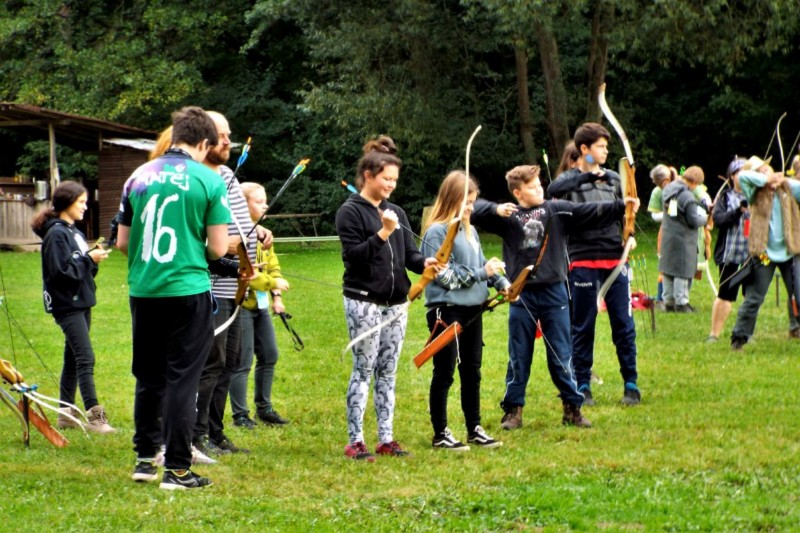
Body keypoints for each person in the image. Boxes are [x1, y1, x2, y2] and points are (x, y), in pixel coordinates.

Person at [472, 164, 639, 429]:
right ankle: (513, 410)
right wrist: (496, 209)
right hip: (522, 294)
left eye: (539, 184)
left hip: (555, 291)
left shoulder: (556, 209)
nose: (539, 190)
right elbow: (471, 208)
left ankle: (572, 408)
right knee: (519, 354)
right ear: (517, 193)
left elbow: (589, 211)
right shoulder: (509, 216)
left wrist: (622, 205)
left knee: (561, 353)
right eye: (532, 187)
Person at [116, 106, 231, 489]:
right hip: (187, 290)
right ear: (204, 143)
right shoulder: (209, 180)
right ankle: (178, 468)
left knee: (149, 376)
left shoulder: (138, 175)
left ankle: (145, 458)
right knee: (183, 378)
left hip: (144, 289)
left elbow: (123, 242)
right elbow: (218, 249)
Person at [335, 135, 438, 461]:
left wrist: (425, 262)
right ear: (368, 176)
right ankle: (355, 441)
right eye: (386, 179)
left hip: (396, 304)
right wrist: (383, 232)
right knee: (363, 370)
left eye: (395, 179)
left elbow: (409, 256)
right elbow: (354, 257)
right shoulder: (350, 212)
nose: (392, 185)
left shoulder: (396, 211)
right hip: (364, 301)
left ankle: (386, 438)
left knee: (388, 372)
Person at [547, 122, 641, 407]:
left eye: (606, 146)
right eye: (600, 146)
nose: (605, 151)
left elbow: (626, 213)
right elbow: (556, 191)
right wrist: (587, 175)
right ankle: (583, 385)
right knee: (583, 325)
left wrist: (630, 235)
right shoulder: (569, 180)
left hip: (615, 258)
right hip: (583, 259)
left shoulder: (613, 178)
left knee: (623, 323)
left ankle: (631, 384)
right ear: (584, 149)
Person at [192, 110, 265, 457]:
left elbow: (238, 222)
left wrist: (258, 232)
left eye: (228, 135)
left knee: (229, 361)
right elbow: (198, 236)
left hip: (233, 286)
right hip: (209, 288)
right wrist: (226, 246)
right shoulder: (197, 179)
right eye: (221, 136)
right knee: (211, 363)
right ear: (203, 138)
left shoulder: (228, 177)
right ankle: (197, 434)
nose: (227, 142)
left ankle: (215, 431)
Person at [420, 171, 510, 451]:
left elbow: (482, 265)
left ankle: (474, 428)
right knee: (444, 372)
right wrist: (483, 273)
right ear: (451, 200)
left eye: (472, 202)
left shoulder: (470, 231)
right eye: (466, 202)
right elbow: (445, 277)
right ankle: (440, 433)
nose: (471, 207)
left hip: (472, 311)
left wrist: (503, 283)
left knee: (472, 371)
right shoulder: (437, 232)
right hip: (446, 311)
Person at [31, 181, 115, 434]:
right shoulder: (56, 234)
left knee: (72, 359)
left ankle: (65, 414)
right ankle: (95, 417)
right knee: (85, 358)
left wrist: (93, 259)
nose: (85, 207)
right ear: (67, 203)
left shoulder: (74, 232)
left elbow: (81, 269)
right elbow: (61, 273)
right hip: (67, 305)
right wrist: (88, 259)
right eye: (81, 202)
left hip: (81, 301)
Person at [228, 182, 290, 429]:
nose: (265, 206)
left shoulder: (265, 235)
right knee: (242, 361)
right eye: (259, 201)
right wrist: (272, 282)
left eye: (266, 201)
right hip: (241, 304)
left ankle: (264, 408)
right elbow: (246, 274)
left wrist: (276, 297)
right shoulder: (236, 237)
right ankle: (240, 415)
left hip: (261, 305)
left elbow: (273, 266)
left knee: (269, 354)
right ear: (242, 205)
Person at [729, 156, 800, 350]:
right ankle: (739, 337)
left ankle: (796, 328)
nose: (765, 172)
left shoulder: (788, 188)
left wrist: (784, 180)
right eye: (759, 172)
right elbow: (743, 176)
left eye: (766, 169)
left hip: (791, 250)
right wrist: (766, 180)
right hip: (764, 253)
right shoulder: (754, 192)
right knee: (754, 298)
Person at [707, 158, 750, 342]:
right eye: (740, 172)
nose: (744, 175)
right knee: (725, 295)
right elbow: (718, 219)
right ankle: (714, 334)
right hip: (730, 255)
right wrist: (738, 211)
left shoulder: (757, 195)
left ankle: (745, 333)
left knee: (751, 296)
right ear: (732, 176)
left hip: (753, 255)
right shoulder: (725, 197)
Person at [659, 165, 708, 313]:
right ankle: (682, 303)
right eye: (697, 185)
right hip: (683, 239)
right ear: (694, 182)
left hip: (668, 235)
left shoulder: (669, 188)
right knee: (682, 270)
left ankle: (668, 302)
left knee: (669, 269)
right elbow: (694, 220)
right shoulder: (687, 196)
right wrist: (705, 218)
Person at [648, 164, 677, 309]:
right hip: (666, 231)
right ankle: (661, 298)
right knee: (664, 265)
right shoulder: (657, 192)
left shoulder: (679, 188)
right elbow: (654, 216)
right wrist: (669, 213)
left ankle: (678, 298)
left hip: (681, 231)